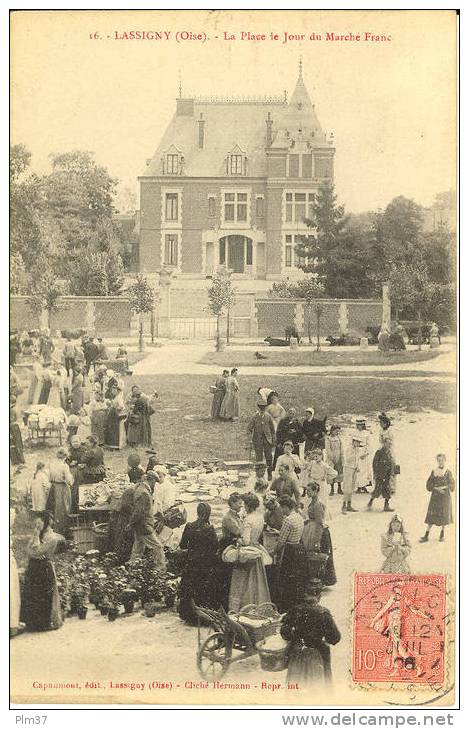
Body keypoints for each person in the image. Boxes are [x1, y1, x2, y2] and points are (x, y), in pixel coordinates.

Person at [280, 581, 341, 686]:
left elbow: (284, 632)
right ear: (319, 595)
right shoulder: (324, 613)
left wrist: (296, 636)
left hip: (298, 654)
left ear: (304, 594)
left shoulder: (295, 610)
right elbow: (335, 638)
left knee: (295, 688)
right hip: (318, 656)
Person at [20, 512, 65, 631]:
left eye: (39, 523)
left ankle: (44, 623)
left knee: (43, 594)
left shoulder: (52, 538)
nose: (37, 526)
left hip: (44, 568)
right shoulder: (38, 535)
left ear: (44, 523)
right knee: (32, 594)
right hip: (34, 567)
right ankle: (32, 623)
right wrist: (35, 538)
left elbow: (37, 551)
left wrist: (35, 543)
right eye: (35, 524)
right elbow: (28, 550)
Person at [229, 493, 271, 612]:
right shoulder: (260, 517)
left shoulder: (248, 519)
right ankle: (258, 605)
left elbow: (246, 540)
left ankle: (245, 608)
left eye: (245, 505)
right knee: (257, 582)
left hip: (249, 551)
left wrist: (239, 540)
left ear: (248, 506)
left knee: (245, 582)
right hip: (257, 547)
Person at [178, 502, 219, 624]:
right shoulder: (209, 529)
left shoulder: (190, 526)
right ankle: (203, 615)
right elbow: (215, 546)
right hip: (205, 564)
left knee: (189, 588)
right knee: (204, 588)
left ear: (197, 512)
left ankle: (188, 614)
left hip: (192, 562)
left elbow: (183, 545)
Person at [273, 495, 309, 612]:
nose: (282, 511)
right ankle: (296, 601)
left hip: (289, 550)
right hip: (298, 548)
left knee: (285, 578)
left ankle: (285, 604)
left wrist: (273, 551)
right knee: (296, 577)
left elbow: (281, 541)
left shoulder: (288, 520)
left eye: (282, 508)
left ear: (287, 507)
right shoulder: (299, 517)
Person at [302, 482, 336, 586]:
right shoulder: (313, 502)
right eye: (306, 490)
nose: (307, 492)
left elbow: (319, 522)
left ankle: (323, 579)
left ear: (315, 491)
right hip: (312, 528)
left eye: (309, 490)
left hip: (318, 531)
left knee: (320, 554)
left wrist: (316, 540)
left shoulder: (317, 504)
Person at [129, 473, 166, 569]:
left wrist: (132, 524)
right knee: (158, 547)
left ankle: (132, 569)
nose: (154, 485)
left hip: (139, 525)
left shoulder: (140, 489)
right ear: (152, 480)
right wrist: (131, 523)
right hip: (144, 526)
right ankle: (160, 570)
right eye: (154, 482)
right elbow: (138, 512)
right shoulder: (144, 493)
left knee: (138, 549)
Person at [216, 493, 244, 610]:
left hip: (233, 546)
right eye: (239, 503)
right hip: (228, 547)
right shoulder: (228, 518)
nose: (241, 505)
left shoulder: (236, 516)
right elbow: (239, 531)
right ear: (232, 503)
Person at [420, 453, 455, 543]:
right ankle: (426, 535)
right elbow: (429, 484)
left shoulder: (448, 472)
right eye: (439, 460)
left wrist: (445, 488)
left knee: (443, 515)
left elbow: (452, 485)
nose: (440, 462)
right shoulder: (434, 471)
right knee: (431, 515)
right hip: (435, 496)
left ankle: (442, 534)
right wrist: (436, 488)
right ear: (437, 461)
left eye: (442, 460)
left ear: (445, 460)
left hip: (445, 497)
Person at [46, 448, 74, 537]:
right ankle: (62, 531)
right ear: (65, 456)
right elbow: (69, 480)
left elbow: (48, 477)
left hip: (53, 487)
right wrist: (71, 480)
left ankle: (54, 528)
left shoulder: (51, 464)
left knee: (54, 508)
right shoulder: (64, 466)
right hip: (62, 488)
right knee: (63, 509)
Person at [247, 401, 276, 480]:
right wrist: (250, 438)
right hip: (258, 440)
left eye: (263, 408)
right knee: (259, 458)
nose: (262, 410)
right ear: (258, 409)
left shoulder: (268, 416)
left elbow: (273, 430)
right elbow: (249, 428)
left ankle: (269, 473)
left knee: (269, 457)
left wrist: (273, 440)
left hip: (267, 440)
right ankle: (259, 475)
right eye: (260, 408)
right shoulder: (255, 417)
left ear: (265, 409)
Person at [368, 436, 395, 513]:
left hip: (387, 475)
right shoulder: (379, 452)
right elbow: (375, 463)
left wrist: (392, 472)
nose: (389, 445)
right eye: (387, 443)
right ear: (384, 443)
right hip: (380, 475)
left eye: (390, 443)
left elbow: (391, 462)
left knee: (387, 490)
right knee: (377, 489)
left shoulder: (389, 452)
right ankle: (370, 501)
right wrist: (376, 474)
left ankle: (386, 506)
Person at [342, 437, 362, 514]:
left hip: (354, 469)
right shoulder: (349, 449)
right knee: (347, 487)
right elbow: (347, 459)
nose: (358, 444)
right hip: (348, 468)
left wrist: (357, 467)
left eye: (359, 442)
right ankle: (343, 506)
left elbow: (357, 460)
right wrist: (355, 453)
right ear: (353, 441)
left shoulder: (357, 450)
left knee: (352, 487)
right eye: (357, 442)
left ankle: (349, 505)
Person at [105, 385, 126, 449]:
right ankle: (112, 444)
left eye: (114, 390)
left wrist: (116, 409)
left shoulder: (119, 398)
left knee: (116, 430)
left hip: (115, 415)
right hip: (113, 414)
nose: (113, 391)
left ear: (118, 391)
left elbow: (122, 407)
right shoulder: (116, 397)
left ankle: (116, 445)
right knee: (112, 429)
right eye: (112, 390)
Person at [325, 424, 344, 496]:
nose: (337, 433)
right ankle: (332, 489)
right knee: (331, 473)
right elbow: (328, 449)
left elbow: (342, 448)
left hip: (338, 457)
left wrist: (341, 456)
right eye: (336, 431)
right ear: (332, 431)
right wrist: (332, 458)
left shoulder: (339, 438)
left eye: (338, 431)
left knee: (339, 472)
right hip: (331, 458)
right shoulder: (328, 439)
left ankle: (339, 488)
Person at [355, 419, 373, 493]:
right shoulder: (354, 433)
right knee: (358, 469)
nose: (359, 427)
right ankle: (359, 486)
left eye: (361, 425)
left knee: (365, 470)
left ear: (363, 425)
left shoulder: (367, 433)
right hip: (356, 451)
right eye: (358, 425)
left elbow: (369, 445)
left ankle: (364, 486)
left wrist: (366, 453)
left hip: (364, 451)